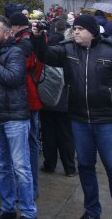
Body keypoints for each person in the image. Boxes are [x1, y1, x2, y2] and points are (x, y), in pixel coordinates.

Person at [32, 14, 112, 219]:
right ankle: (92, 211)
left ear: (92, 32)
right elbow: (45, 56)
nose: (76, 31)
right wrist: (38, 37)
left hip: (106, 120)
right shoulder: (68, 49)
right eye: (74, 28)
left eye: (80, 29)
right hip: (79, 119)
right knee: (85, 166)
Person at [0, 16, 37, 219]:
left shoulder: (16, 52)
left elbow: (13, 78)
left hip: (15, 118)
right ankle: (8, 208)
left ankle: (29, 213)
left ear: (8, 33)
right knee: (3, 166)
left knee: (21, 167)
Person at [9, 12, 43, 200]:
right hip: (31, 97)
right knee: (29, 144)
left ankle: (28, 190)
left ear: (14, 27)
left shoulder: (25, 41)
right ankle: (30, 189)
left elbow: (22, 65)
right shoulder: (31, 38)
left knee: (28, 145)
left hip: (27, 97)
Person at [39, 18, 76, 177]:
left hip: (47, 98)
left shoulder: (48, 46)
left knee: (48, 134)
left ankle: (49, 164)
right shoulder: (70, 50)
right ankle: (69, 168)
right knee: (66, 135)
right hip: (65, 99)